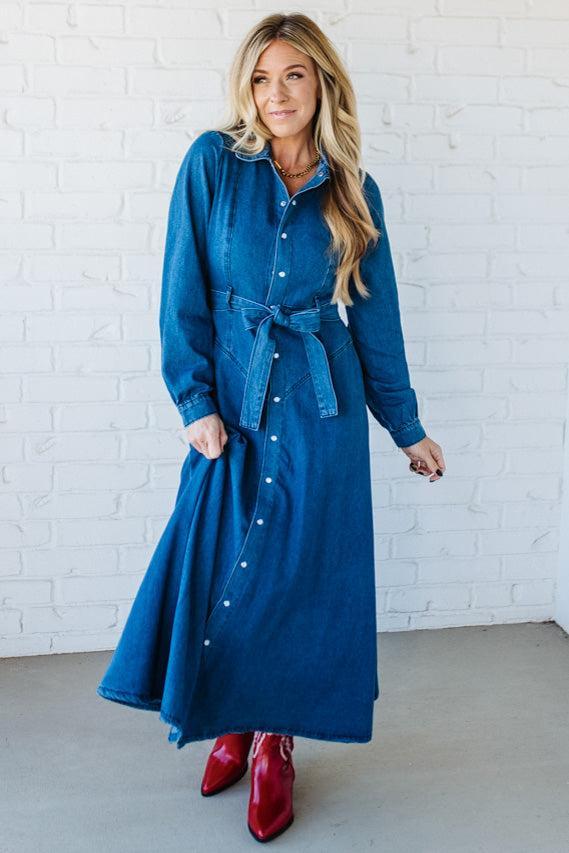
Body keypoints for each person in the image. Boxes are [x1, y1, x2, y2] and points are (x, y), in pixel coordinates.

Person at [96, 12, 446, 844]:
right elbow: (180, 292)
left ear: (321, 81)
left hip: (320, 409)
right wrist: (194, 405)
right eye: (261, 77)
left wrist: (405, 427)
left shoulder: (356, 189)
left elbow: (375, 319)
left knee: (297, 577)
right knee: (222, 566)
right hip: (235, 403)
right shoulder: (213, 164)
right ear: (244, 87)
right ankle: (231, 719)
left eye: (292, 75)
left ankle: (274, 742)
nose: (276, 93)